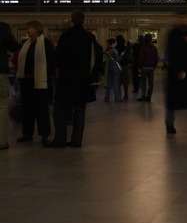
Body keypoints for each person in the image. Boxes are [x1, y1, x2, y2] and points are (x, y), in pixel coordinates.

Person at [46, 9, 103, 148]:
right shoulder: (89, 36)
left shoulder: (67, 35)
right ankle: (77, 139)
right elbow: (98, 54)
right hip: (84, 79)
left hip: (68, 78)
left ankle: (60, 139)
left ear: (71, 20)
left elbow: (58, 56)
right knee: (79, 110)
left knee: (59, 108)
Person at [14, 20, 54, 145]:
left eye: (29, 28)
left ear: (36, 29)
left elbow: (51, 61)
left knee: (42, 108)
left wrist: (48, 76)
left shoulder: (45, 43)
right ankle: (27, 133)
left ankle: (44, 135)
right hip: (26, 80)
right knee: (27, 108)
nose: (27, 30)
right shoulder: (26, 44)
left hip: (40, 81)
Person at [0, 21, 20, 150]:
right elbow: (13, 46)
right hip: (0, 71)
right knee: (2, 105)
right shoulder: (2, 27)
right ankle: (1, 141)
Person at [137, 33, 158, 102]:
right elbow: (156, 58)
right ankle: (149, 96)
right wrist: (154, 66)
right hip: (151, 67)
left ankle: (143, 95)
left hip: (144, 67)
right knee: (151, 83)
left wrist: (140, 67)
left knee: (143, 82)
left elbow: (141, 58)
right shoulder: (154, 48)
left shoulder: (143, 47)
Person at [104, 38, 122, 102]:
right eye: (115, 43)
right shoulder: (114, 51)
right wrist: (121, 55)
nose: (116, 44)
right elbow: (117, 59)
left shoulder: (106, 50)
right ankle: (117, 98)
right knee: (115, 84)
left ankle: (106, 98)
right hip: (115, 67)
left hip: (109, 67)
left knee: (108, 84)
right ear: (113, 43)